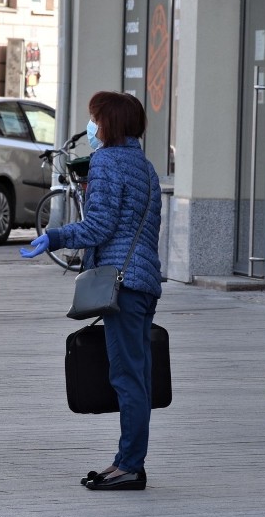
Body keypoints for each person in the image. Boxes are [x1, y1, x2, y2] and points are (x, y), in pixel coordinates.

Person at [20, 91, 162, 490]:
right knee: (135, 376)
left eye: (95, 120)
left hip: (122, 282)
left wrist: (54, 236)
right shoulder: (145, 167)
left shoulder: (105, 162)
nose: (91, 128)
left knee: (127, 378)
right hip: (144, 280)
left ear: (109, 124)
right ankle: (126, 461)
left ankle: (130, 465)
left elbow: (99, 227)